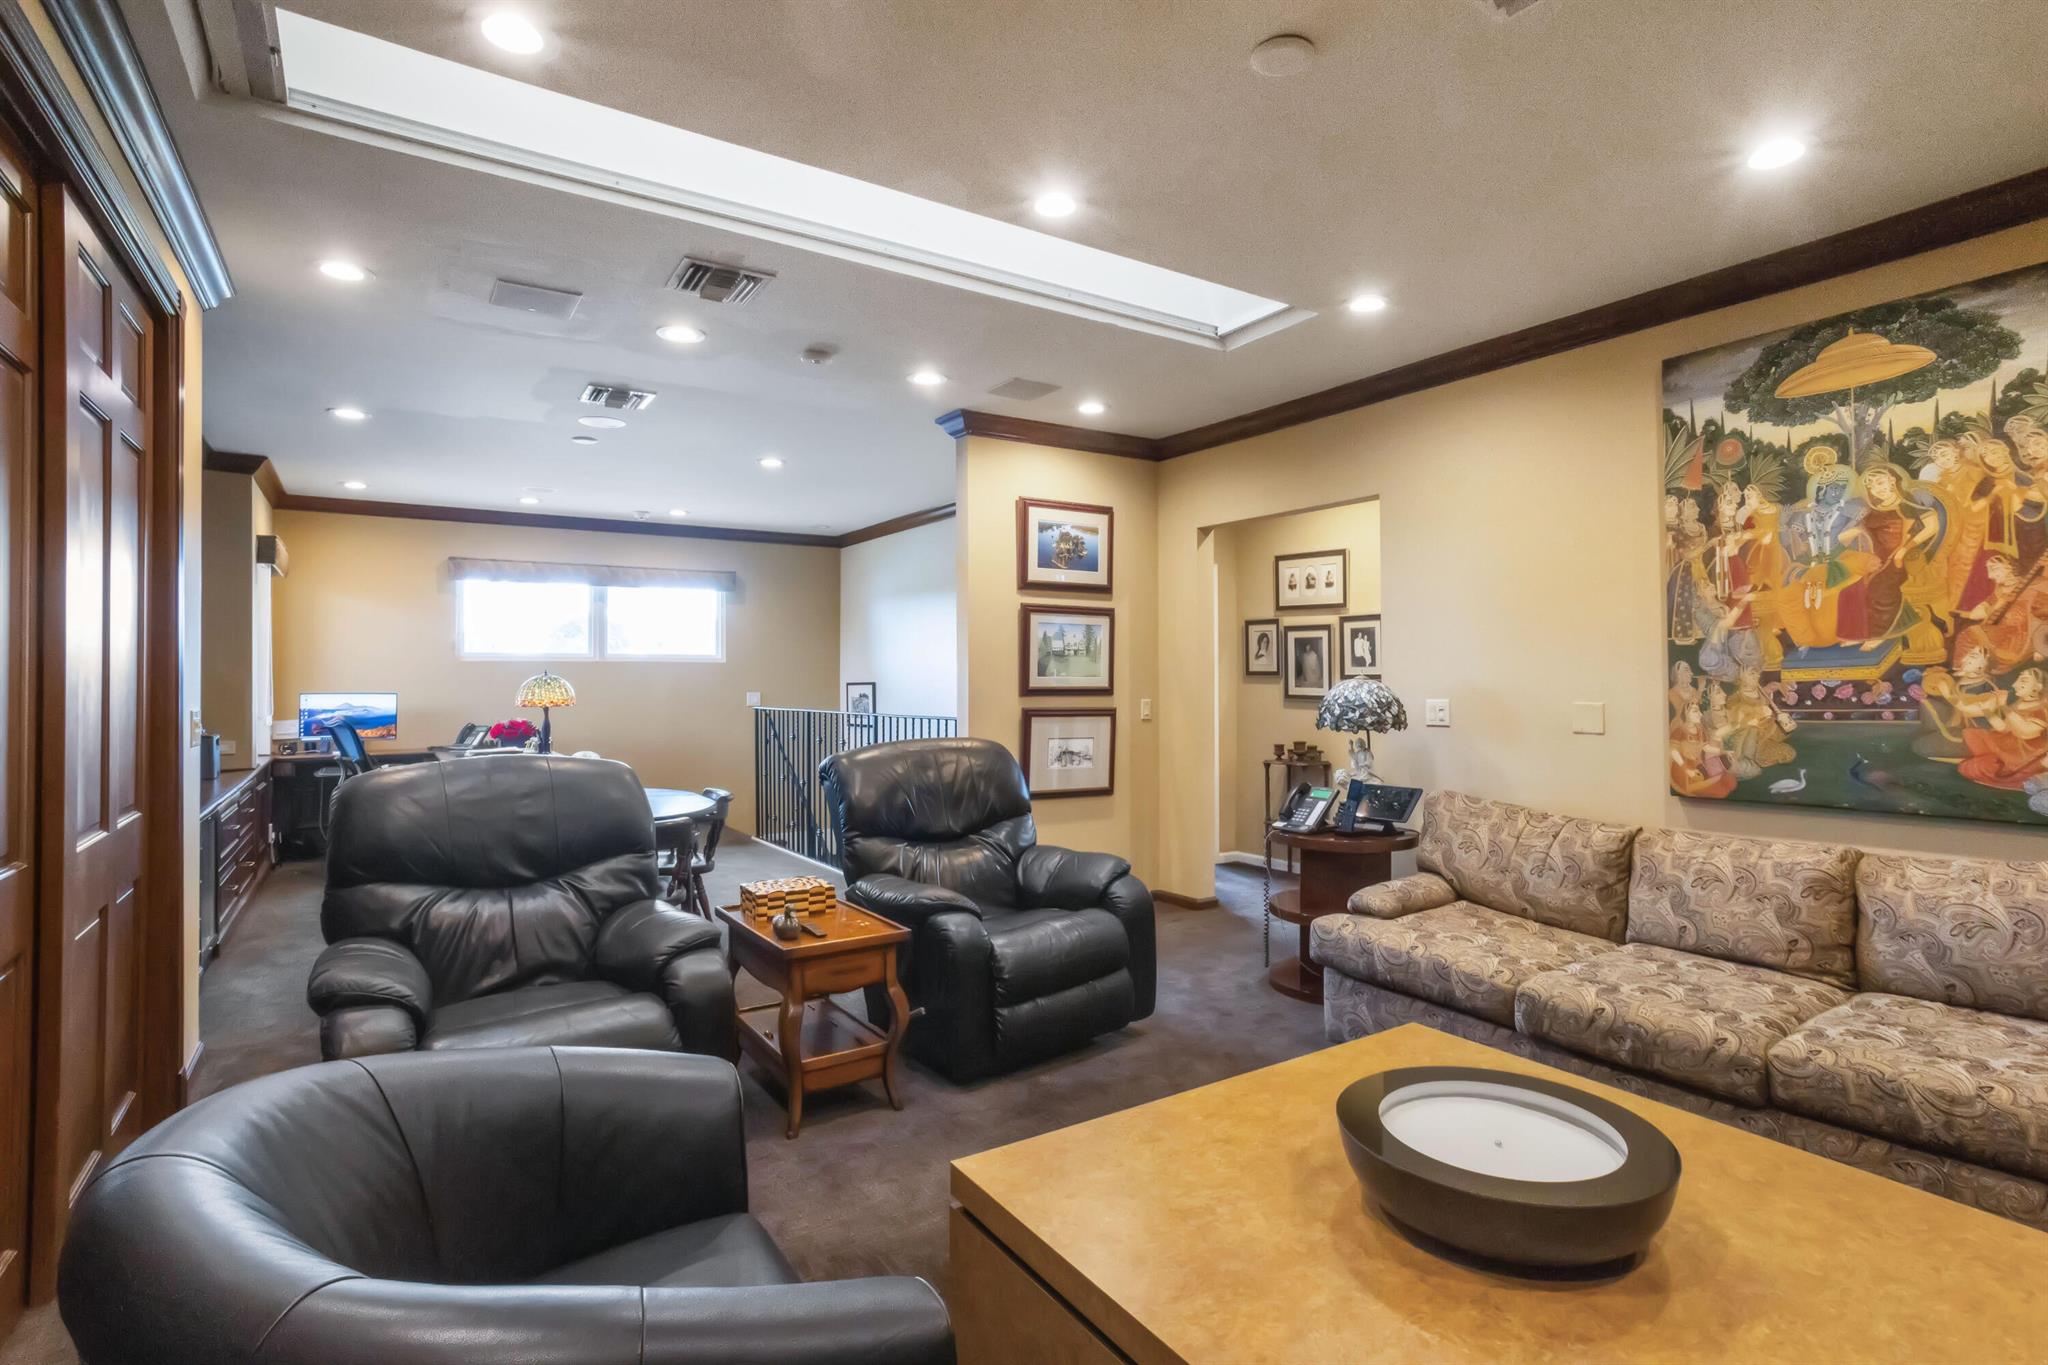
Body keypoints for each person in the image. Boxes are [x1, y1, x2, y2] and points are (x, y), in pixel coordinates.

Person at [1959, 666, 2048, 789]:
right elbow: (2003, 728)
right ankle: (1995, 766)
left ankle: (2009, 777)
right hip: (2009, 748)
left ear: (2038, 686)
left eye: (2023, 680)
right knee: (1972, 736)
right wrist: (1987, 710)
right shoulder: (2018, 703)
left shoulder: (2041, 708)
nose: (2016, 684)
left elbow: (2026, 732)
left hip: (2026, 757)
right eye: (2018, 680)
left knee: (1973, 768)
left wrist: (2003, 706)